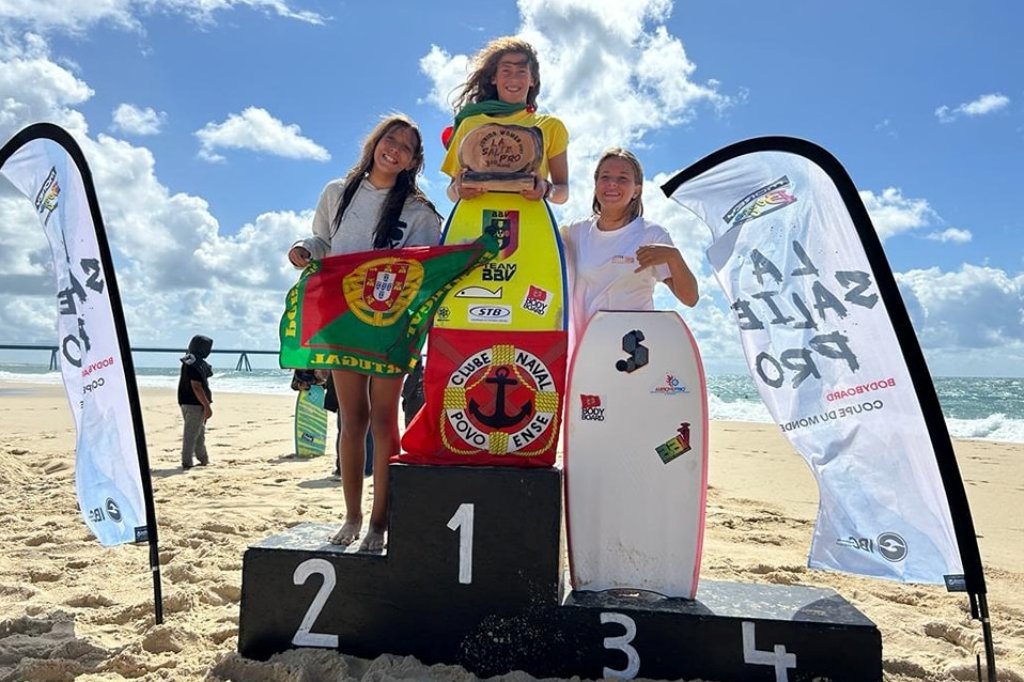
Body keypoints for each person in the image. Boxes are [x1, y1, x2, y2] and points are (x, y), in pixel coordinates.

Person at [288, 114, 442, 551]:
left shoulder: (419, 212)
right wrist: (304, 249)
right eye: (389, 139)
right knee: (351, 421)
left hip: (390, 326)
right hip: (343, 318)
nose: (394, 149)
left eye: (406, 147)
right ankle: (352, 517)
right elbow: (324, 242)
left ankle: (380, 522)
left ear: (413, 161)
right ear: (375, 142)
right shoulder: (337, 192)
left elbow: (427, 269)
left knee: (384, 420)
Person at [560, 148, 699, 346]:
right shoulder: (575, 231)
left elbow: (690, 298)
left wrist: (674, 257)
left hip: (634, 351)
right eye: (605, 177)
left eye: (623, 178)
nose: (612, 184)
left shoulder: (651, 234)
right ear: (596, 184)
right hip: (586, 349)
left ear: (637, 190)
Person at [441, 36, 569, 205]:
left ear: (533, 80)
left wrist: (546, 189)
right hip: (473, 222)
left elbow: (562, 192)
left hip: (531, 224)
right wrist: (459, 189)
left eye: (521, 71)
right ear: (494, 78)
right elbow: (451, 192)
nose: (514, 79)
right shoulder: (470, 124)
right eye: (506, 71)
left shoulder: (551, 126)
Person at [178, 334, 213, 470]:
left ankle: (203, 459)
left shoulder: (188, 360)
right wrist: (206, 406)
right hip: (195, 404)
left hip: (185, 401)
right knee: (191, 434)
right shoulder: (195, 363)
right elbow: (196, 386)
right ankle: (187, 462)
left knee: (198, 433)